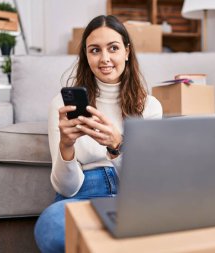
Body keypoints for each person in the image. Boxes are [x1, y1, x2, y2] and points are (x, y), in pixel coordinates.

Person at [34, 15, 162, 253]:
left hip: (131, 196)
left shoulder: (149, 106)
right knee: (51, 228)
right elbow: (66, 189)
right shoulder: (62, 105)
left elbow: (145, 183)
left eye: (113, 48)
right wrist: (67, 147)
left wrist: (117, 146)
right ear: (86, 56)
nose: (104, 59)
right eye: (95, 50)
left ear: (126, 52)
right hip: (81, 193)